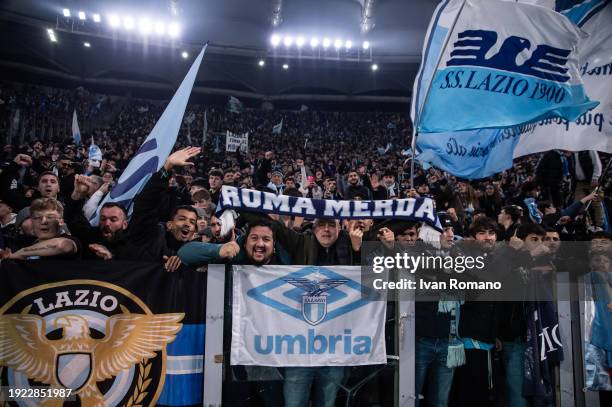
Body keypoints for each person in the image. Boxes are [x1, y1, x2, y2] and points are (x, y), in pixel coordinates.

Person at [126, 147, 201, 270]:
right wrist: (167, 167)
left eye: (192, 222)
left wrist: (185, 260)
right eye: (182, 219)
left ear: (194, 231)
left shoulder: (194, 254)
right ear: (170, 224)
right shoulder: (149, 237)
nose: (188, 224)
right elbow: (145, 205)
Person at [0, 198, 80, 260]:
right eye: (37, 217)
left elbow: (62, 246)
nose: (43, 221)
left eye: (50, 217)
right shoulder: (24, 245)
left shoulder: (71, 240)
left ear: (61, 222)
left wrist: (22, 253)